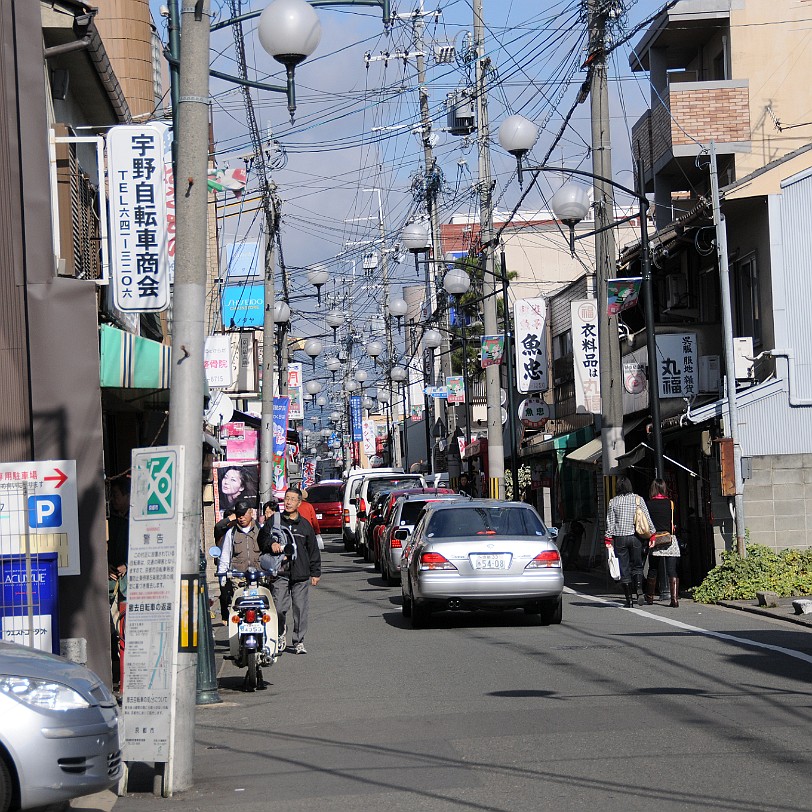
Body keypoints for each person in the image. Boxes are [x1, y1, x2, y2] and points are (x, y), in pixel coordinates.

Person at [266, 487, 321, 655]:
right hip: (280, 573)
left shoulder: (305, 525)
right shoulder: (275, 521)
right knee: (279, 607)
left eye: (292, 499)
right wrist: (271, 543)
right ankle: (280, 632)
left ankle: (298, 641)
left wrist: (315, 572)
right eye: (286, 498)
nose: (288, 502)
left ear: (299, 503)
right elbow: (262, 537)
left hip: (300, 573)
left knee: (300, 609)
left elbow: (313, 549)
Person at [605, 475, 654, 607]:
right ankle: (639, 590)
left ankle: (629, 600)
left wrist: (608, 538)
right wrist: (652, 534)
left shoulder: (613, 502)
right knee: (637, 565)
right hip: (635, 537)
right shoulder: (638, 499)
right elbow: (647, 518)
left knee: (624, 568)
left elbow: (610, 522)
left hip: (620, 538)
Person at [216, 500, 262, 612]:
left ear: (251, 512)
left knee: (262, 608)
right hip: (238, 578)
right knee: (239, 609)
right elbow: (225, 555)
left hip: (259, 577)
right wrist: (222, 575)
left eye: (244, 513)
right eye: (238, 515)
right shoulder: (231, 533)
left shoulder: (261, 530)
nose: (241, 517)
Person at [645, 479, 681, 608]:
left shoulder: (648, 504)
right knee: (672, 570)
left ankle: (649, 598)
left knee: (653, 568)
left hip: (655, 539)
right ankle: (674, 599)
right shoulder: (670, 503)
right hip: (669, 539)